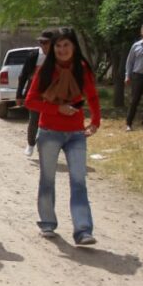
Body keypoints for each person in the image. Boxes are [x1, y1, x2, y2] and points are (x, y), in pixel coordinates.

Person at [24, 28, 101, 246]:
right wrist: (57, 109)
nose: (62, 50)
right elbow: (30, 101)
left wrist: (95, 121)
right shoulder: (45, 70)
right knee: (47, 179)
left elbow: (92, 96)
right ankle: (48, 223)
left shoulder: (81, 68)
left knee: (79, 181)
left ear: (74, 46)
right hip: (49, 132)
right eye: (58, 46)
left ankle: (83, 230)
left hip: (76, 134)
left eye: (66, 45)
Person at [16, 31, 55, 156]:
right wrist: (19, 95)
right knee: (34, 120)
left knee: (50, 123)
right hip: (36, 95)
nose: (43, 45)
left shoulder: (59, 57)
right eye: (41, 42)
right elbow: (23, 76)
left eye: (46, 43)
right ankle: (30, 144)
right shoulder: (34, 56)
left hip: (53, 96)